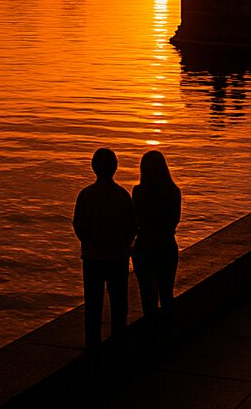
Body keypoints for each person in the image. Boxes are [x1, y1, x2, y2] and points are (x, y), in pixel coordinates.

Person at [73, 148, 137, 360]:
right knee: (119, 304)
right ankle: (120, 345)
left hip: (92, 258)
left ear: (94, 168)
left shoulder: (85, 195)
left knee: (93, 304)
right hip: (117, 257)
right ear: (115, 168)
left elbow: (79, 226)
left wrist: (89, 242)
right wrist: (123, 244)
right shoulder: (122, 196)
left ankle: (93, 346)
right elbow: (131, 227)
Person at [131, 150, 181, 348]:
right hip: (167, 246)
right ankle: (168, 336)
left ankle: (150, 337)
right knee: (166, 292)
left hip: (144, 247)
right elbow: (174, 221)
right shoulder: (173, 191)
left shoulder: (138, 192)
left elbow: (135, 222)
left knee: (147, 296)